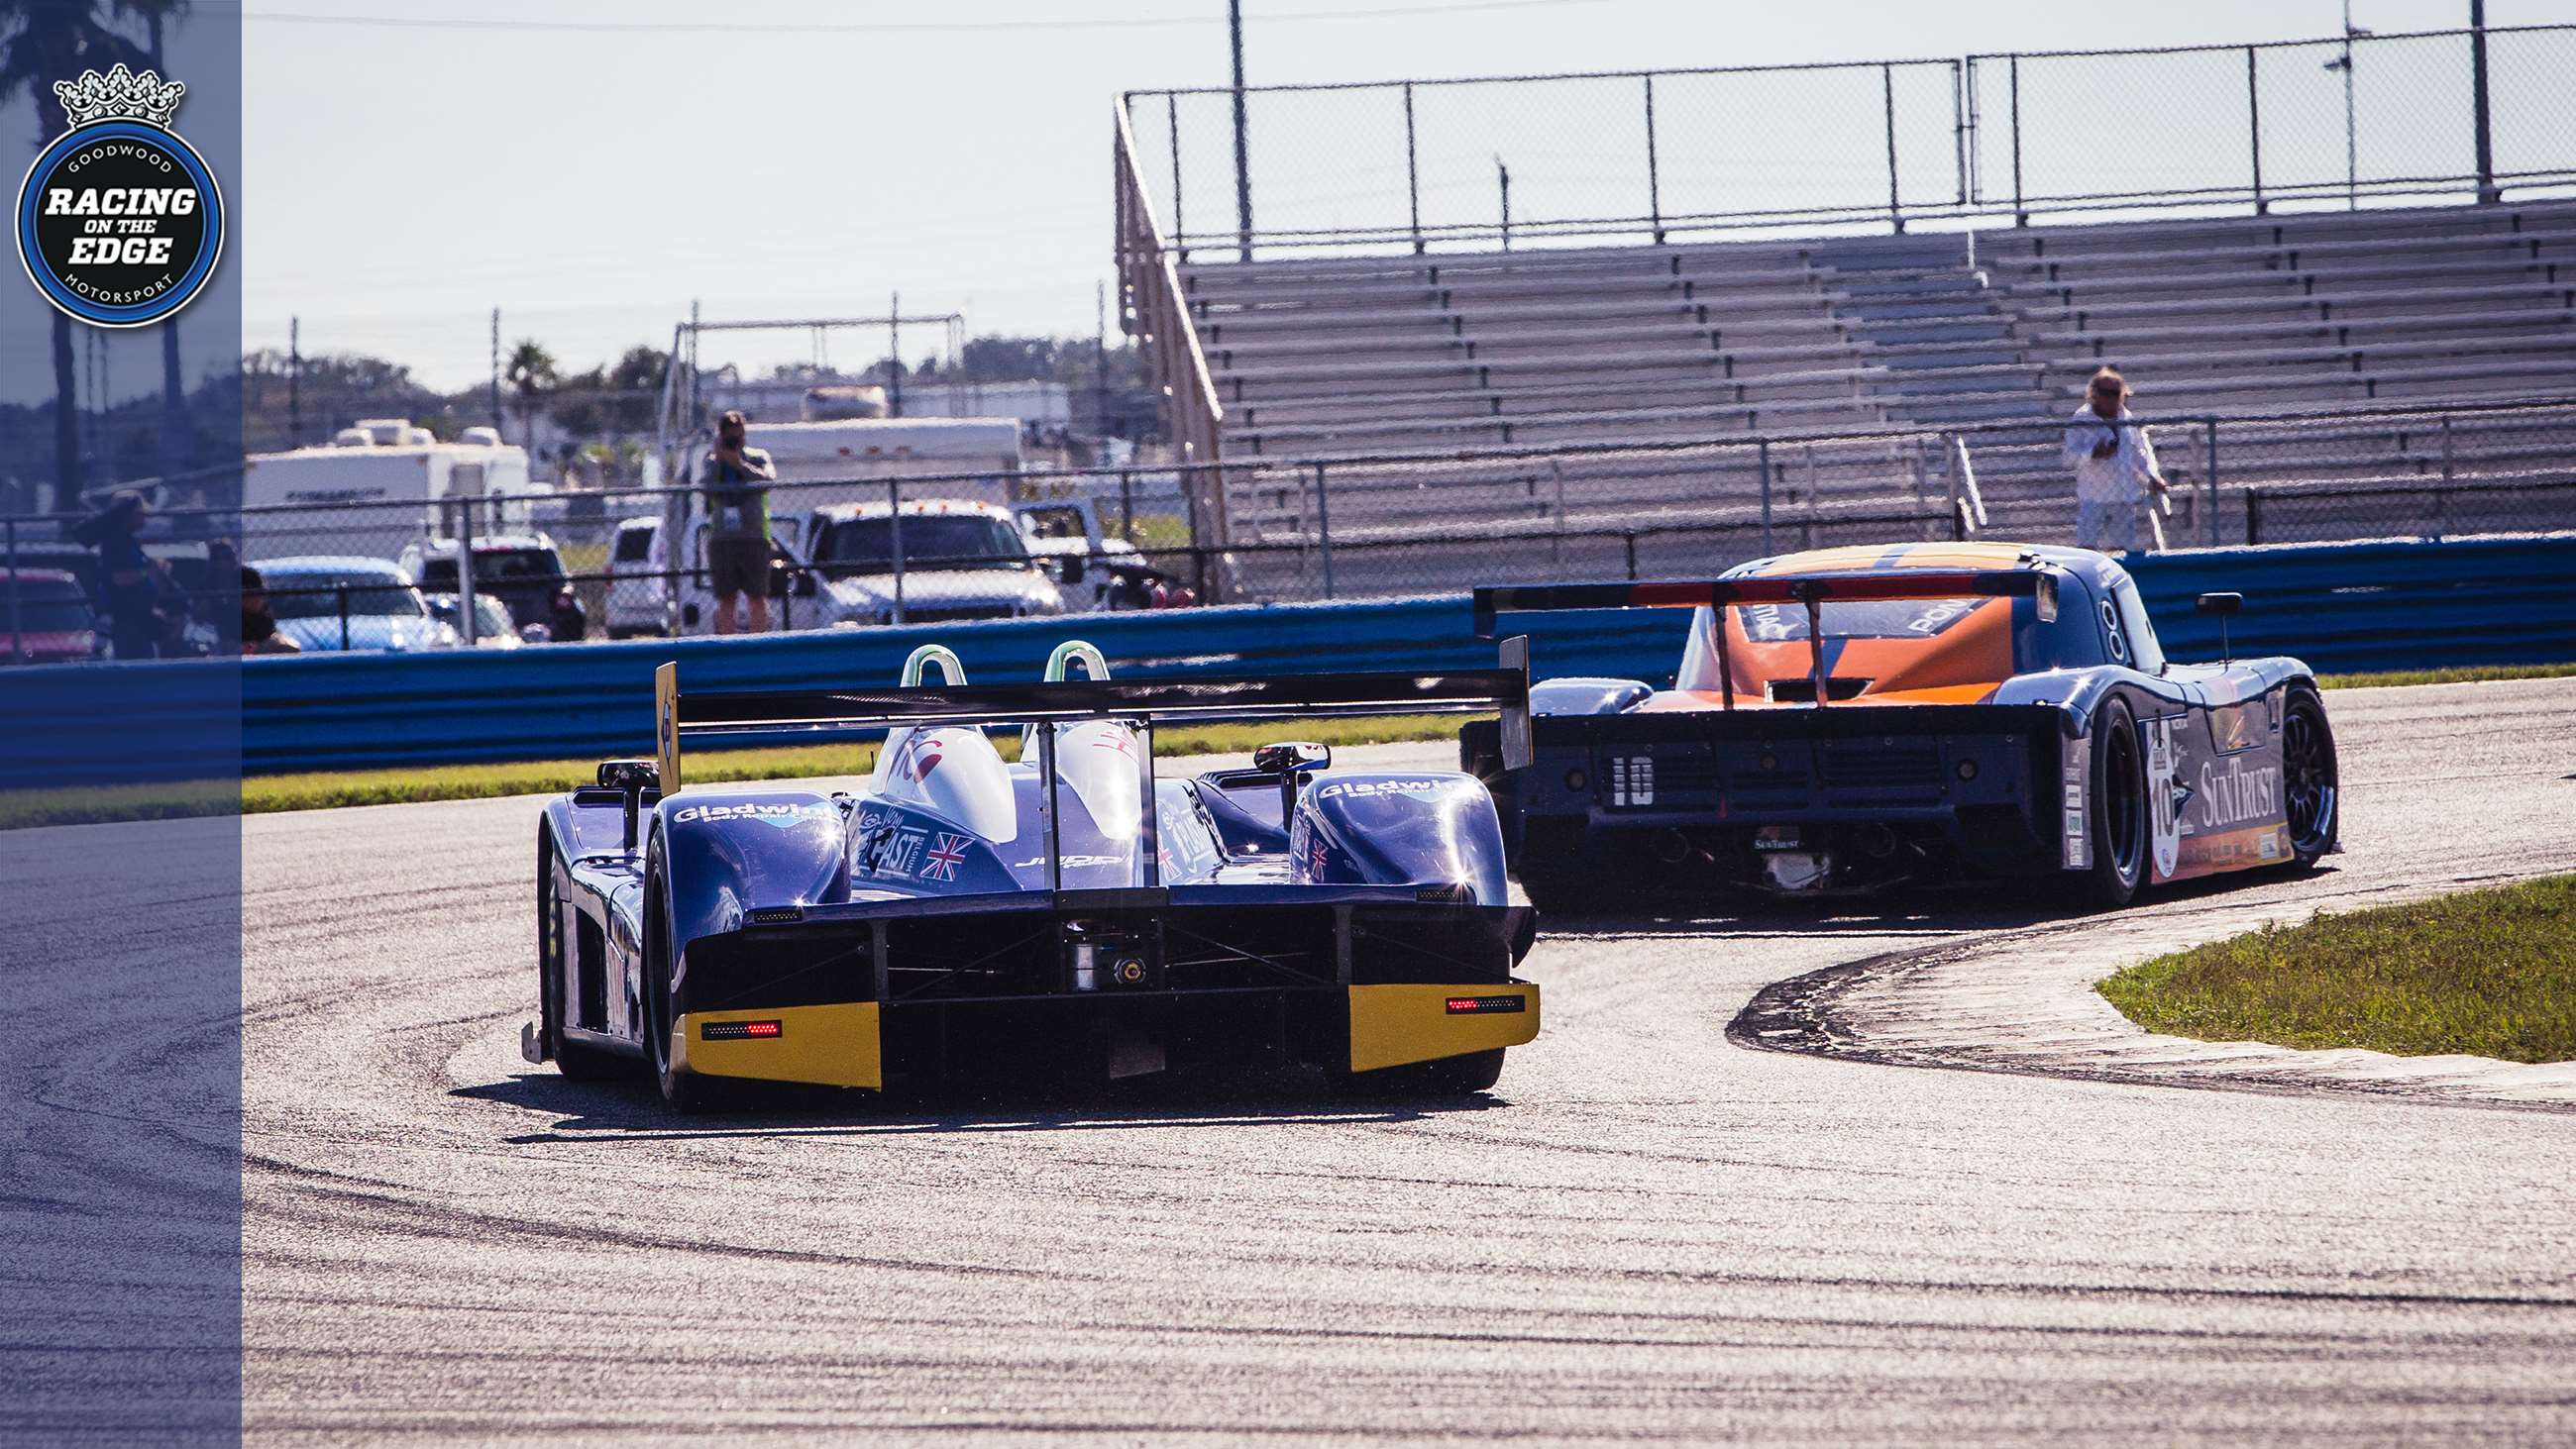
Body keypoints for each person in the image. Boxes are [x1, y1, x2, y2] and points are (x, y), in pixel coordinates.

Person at [2062, 366, 2169, 555]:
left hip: (2123, 494)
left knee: (2120, 549)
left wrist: (2151, 478)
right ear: (2093, 394)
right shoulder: (2081, 419)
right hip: (2093, 495)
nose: (2110, 398)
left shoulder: (2127, 418)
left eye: (2115, 393)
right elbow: (2068, 458)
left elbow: (2139, 455)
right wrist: (2094, 453)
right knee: (2087, 547)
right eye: (2104, 393)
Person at [698, 410, 778, 635]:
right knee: (726, 599)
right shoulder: (713, 462)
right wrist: (719, 460)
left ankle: (759, 645)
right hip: (723, 540)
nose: (735, 439)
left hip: (754, 538)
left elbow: (767, 480)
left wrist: (740, 464)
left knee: (757, 596)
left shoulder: (757, 456)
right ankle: (728, 646)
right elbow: (705, 488)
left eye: (738, 434)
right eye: (729, 436)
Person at [74, 490, 167, 660]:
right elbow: (120, 578)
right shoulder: (116, 542)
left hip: (139, 621)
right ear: (129, 515)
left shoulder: (127, 540)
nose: (144, 518)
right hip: (127, 622)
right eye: (140, 514)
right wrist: (149, 571)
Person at [240, 565, 299, 656]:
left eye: (261, 593)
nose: (258, 599)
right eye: (252, 594)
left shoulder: (263, 618)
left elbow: (271, 637)